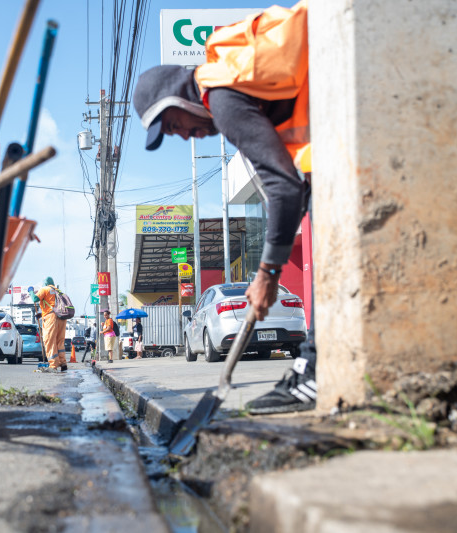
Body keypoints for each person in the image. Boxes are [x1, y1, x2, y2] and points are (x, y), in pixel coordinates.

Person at [132, 0, 316, 414]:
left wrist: (268, 274)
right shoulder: (232, 78)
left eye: (173, 125)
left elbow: (283, 188)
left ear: (179, 98)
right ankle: (314, 369)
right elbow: (292, 188)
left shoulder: (224, 97)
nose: (183, 136)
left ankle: (315, 373)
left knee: (322, 248)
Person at [28, 277, 68, 372]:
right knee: (60, 341)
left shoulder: (45, 289)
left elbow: (35, 298)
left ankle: (53, 364)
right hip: (62, 317)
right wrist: (41, 314)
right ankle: (63, 363)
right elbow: (52, 304)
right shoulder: (58, 290)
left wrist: (31, 291)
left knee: (49, 340)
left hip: (51, 317)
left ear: (45, 283)